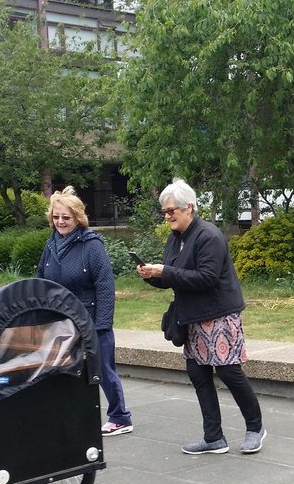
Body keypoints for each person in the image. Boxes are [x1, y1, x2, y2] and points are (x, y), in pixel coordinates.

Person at [136, 178, 265, 455]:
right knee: (199, 375)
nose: (167, 216)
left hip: (219, 316)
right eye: (165, 212)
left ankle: (255, 427)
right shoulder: (176, 239)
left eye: (172, 211)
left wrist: (165, 272)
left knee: (230, 372)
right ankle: (214, 437)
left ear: (189, 208)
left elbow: (206, 278)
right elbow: (173, 278)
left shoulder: (209, 235)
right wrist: (151, 275)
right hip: (192, 318)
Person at [37, 186, 133, 436]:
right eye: (56, 217)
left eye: (66, 217)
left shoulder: (91, 245)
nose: (60, 222)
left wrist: (102, 324)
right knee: (62, 370)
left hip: (91, 319)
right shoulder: (51, 244)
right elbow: (41, 279)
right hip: (61, 320)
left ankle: (120, 417)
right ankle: (70, 414)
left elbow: (105, 285)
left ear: (78, 218)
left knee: (102, 369)